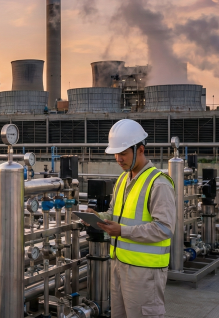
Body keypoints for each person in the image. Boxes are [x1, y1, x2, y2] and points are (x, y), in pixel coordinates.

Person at [89, 119, 176, 318]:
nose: (118, 159)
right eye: (116, 154)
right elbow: (115, 214)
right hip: (120, 265)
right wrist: (98, 218)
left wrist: (122, 231)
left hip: (145, 272)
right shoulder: (122, 179)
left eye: (123, 153)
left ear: (140, 149)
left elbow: (164, 228)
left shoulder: (159, 183)